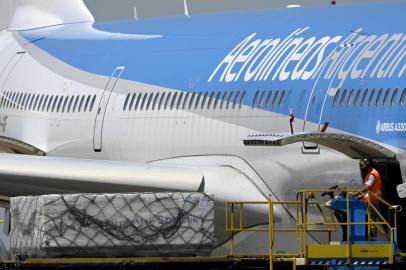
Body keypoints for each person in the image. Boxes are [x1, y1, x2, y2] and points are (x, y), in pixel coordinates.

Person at [358, 158, 382, 239]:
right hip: (371, 200)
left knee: (372, 221)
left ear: (368, 164)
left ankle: (373, 237)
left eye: (362, 165)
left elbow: (367, 187)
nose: (361, 167)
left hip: (373, 201)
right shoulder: (371, 173)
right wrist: (360, 196)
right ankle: (370, 236)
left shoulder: (372, 174)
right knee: (370, 220)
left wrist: (356, 193)